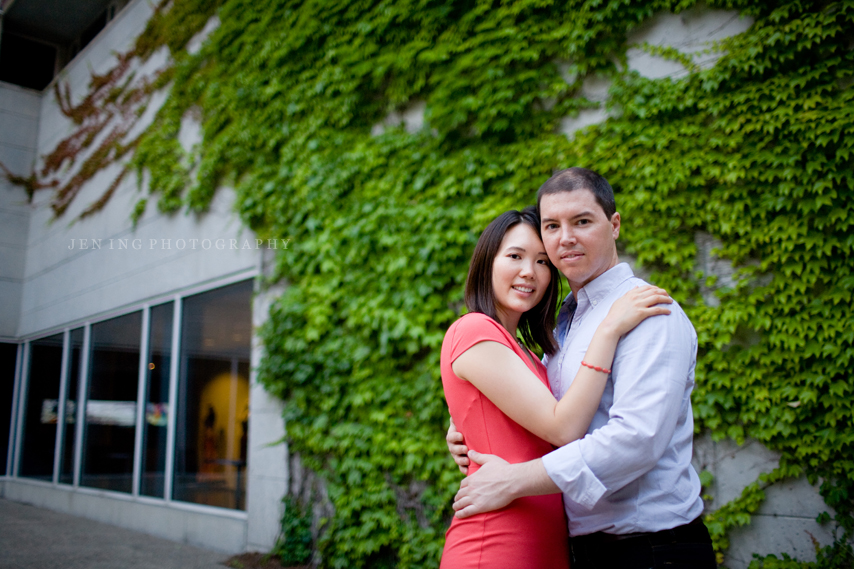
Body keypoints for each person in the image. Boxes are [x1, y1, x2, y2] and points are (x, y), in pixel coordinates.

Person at [447, 168, 716, 568]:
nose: (565, 238)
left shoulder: (648, 311)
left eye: (582, 222)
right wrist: (467, 425)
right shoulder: (564, 327)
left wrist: (516, 480)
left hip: (651, 549)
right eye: (552, 226)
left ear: (615, 224)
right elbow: (546, 407)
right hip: (584, 550)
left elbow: (636, 439)